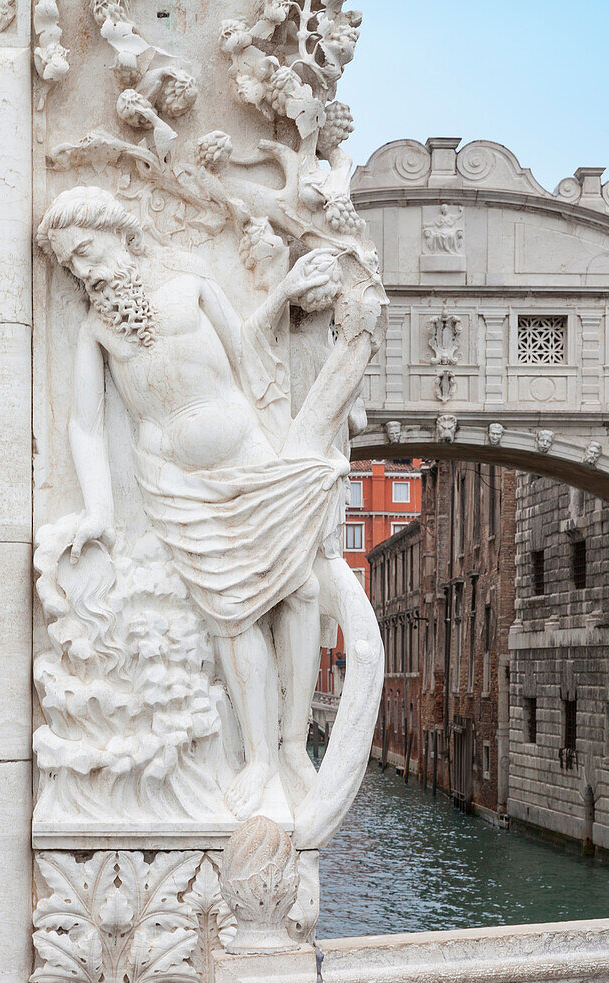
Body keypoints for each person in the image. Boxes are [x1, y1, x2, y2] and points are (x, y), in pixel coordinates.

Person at [37, 186, 375, 820]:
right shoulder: (96, 328)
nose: (83, 270)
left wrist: (284, 292)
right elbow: (85, 424)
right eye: (71, 265)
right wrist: (99, 510)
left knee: (298, 589)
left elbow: (248, 350)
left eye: (84, 251)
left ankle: (294, 748)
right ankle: (256, 761)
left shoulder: (189, 283)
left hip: (245, 454)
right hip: (174, 482)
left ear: (117, 231)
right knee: (231, 611)